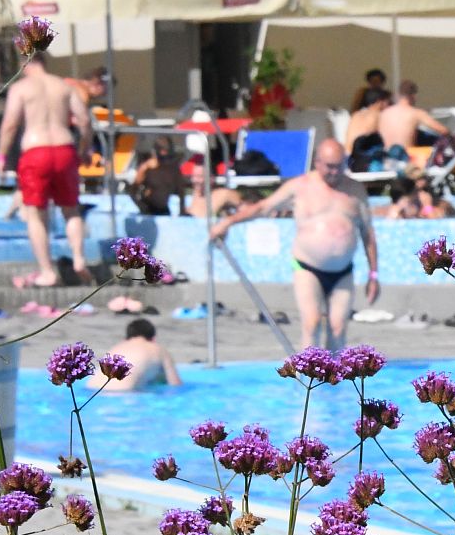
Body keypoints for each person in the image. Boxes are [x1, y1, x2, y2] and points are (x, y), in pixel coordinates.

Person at [211, 139, 380, 349]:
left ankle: (332, 380)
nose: (335, 172)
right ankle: (307, 378)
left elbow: (368, 233)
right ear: (317, 162)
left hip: (343, 272)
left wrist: (373, 276)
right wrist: (228, 222)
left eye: (340, 165)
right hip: (307, 268)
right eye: (329, 166)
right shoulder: (299, 186)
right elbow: (262, 207)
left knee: (338, 329)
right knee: (312, 324)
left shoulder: (355, 190)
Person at [0, 53, 91, 288]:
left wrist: (1, 155)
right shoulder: (64, 86)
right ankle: (79, 259)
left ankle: (47, 271)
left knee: (36, 214)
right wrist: (84, 149)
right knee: (71, 210)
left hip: (35, 151)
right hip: (64, 148)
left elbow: (10, 124)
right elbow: (84, 120)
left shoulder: (21, 88)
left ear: (23, 63)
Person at [86, 319, 180, 392]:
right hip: (124, 393)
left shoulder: (118, 347)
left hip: (91, 391)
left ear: (127, 336)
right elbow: (175, 384)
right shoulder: (157, 349)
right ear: (153, 338)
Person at [378, 80, 449, 157]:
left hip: (387, 159)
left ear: (398, 95)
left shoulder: (384, 114)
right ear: (413, 95)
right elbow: (444, 131)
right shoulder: (416, 113)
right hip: (406, 159)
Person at [130, 137, 188, 216]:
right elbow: (132, 191)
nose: (163, 153)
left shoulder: (173, 169)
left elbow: (181, 193)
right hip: (148, 211)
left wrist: (182, 213)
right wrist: (143, 208)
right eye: (162, 150)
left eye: (166, 150)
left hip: (164, 212)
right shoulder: (149, 168)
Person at [345, 87, 390, 166]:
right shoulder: (378, 116)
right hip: (363, 160)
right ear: (380, 102)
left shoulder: (356, 115)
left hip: (347, 159)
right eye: (388, 102)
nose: (389, 106)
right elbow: (388, 140)